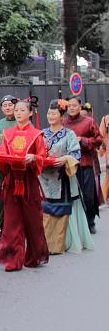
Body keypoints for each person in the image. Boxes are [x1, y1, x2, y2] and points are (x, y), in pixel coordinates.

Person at [0, 98, 49, 271]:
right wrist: (4, 160)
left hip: (29, 180)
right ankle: (13, 259)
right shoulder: (7, 133)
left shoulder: (36, 134)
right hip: (12, 179)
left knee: (33, 218)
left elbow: (42, 157)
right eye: (16, 110)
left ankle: (34, 256)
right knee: (11, 220)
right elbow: (3, 156)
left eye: (22, 110)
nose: (18, 113)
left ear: (30, 113)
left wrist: (34, 158)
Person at [40, 100, 94, 254]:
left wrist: (64, 159)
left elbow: (76, 153)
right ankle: (46, 242)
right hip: (44, 178)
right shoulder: (42, 133)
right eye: (49, 113)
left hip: (62, 176)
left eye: (54, 113)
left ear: (61, 116)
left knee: (62, 208)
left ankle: (63, 241)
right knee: (44, 209)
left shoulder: (69, 134)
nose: (50, 116)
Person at [62, 96, 102, 234]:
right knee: (71, 196)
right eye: (69, 106)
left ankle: (90, 220)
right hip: (68, 165)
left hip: (85, 163)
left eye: (74, 105)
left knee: (88, 196)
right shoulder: (63, 122)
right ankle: (75, 225)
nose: (71, 108)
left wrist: (83, 140)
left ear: (80, 106)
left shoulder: (89, 122)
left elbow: (98, 139)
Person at [0, 95, 18, 234]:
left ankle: (11, 229)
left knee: (13, 198)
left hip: (16, 166)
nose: (8, 108)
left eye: (10, 105)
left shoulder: (21, 121)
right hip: (1, 166)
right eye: (5, 105)